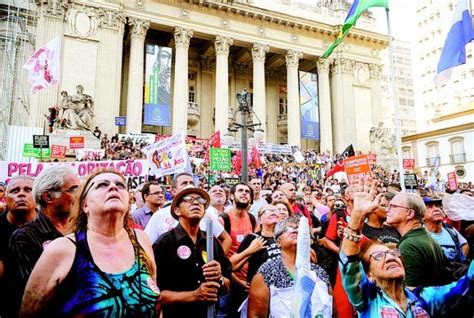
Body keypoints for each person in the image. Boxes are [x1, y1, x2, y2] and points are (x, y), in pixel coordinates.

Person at [20, 169, 159, 316]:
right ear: (85, 205)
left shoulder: (141, 239)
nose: (113, 187)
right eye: (101, 185)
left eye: (120, 185)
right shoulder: (63, 249)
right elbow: (29, 313)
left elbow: (155, 301)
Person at [339, 185, 474, 317]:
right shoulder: (369, 300)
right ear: (369, 275)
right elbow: (349, 268)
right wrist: (356, 219)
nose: (390, 257)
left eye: (393, 253)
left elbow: (467, 283)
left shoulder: (423, 298)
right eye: (378, 256)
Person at [9, 166, 80, 315]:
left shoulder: (83, 231)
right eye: (73, 189)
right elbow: (37, 293)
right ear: (48, 197)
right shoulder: (24, 237)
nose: (80, 195)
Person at [153, 187, 231, 317]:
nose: (196, 203)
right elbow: (156, 295)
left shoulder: (211, 242)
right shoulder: (164, 243)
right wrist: (194, 295)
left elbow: (227, 287)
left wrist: (220, 278)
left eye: (200, 201)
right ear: (177, 211)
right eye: (188, 200)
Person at [248, 216, 332, 317]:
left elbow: (332, 310)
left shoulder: (319, 272)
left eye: (298, 229)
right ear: (278, 242)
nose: (295, 231)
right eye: (287, 229)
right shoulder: (267, 272)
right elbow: (256, 315)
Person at [145, 173, 231, 253]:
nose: (189, 185)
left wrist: (216, 262)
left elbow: (226, 239)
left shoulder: (205, 213)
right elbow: (146, 247)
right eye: (184, 183)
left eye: (192, 182)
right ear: (173, 191)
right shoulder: (160, 215)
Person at [385, 192, 447, 287]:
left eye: (393, 206)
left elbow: (411, 292)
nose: (387, 210)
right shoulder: (424, 236)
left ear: (410, 213)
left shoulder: (409, 245)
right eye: (388, 206)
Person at [0, 176, 36, 318]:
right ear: (5, 198)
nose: (21, 194)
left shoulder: (52, 227)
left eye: (28, 190)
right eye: (15, 190)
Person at [231, 204, 283, 284]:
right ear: (260, 220)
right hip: (261, 288)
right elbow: (231, 265)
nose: (273, 212)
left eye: (276, 211)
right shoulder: (253, 238)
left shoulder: (285, 236)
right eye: (267, 211)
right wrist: (250, 250)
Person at [423, 196, 469, 261]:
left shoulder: (451, 230)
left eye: (438, 206)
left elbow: (465, 245)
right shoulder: (418, 234)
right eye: (429, 207)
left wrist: (460, 263)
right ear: (421, 215)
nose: (437, 209)